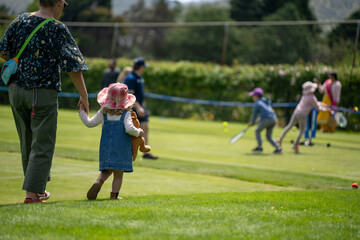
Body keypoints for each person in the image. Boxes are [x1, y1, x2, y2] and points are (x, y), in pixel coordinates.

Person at [0, 0, 89, 203]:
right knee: (43, 144)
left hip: (14, 91)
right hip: (42, 92)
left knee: (27, 141)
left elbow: (3, 50)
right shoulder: (57, 28)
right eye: (64, 5)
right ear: (58, 3)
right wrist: (84, 96)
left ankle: (38, 188)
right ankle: (32, 194)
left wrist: (22, 64)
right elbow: (73, 66)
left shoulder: (20, 19)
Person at [79, 83, 144, 200]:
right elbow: (129, 129)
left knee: (106, 170)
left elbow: (89, 123)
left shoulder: (103, 112)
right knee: (118, 173)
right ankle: (114, 195)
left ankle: (99, 181)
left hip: (106, 147)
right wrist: (138, 132)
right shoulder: (126, 114)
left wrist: (82, 112)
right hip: (121, 148)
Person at [123, 57, 158, 160]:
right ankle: (128, 152)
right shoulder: (131, 78)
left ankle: (145, 151)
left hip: (140, 106)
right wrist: (138, 107)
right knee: (131, 130)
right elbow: (129, 94)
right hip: (133, 107)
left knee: (145, 127)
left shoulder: (139, 77)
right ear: (141, 67)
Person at [277, 82, 327, 153]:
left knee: (290, 125)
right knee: (302, 130)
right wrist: (326, 109)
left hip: (296, 111)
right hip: (303, 114)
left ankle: (280, 139)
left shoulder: (305, 95)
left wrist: (322, 105)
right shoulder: (312, 97)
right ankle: (295, 145)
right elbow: (317, 107)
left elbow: (315, 104)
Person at [249, 88, 282, 154]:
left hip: (267, 119)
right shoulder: (265, 101)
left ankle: (259, 147)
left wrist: (252, 122)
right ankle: (278, 148)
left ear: (256, 96)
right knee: (268, 136)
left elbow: (254, 114)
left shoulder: (257, 103)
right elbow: (265, 115)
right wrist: (255, 121)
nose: (252, 97)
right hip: (273, 119)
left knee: (257, 131)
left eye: (253, 95)